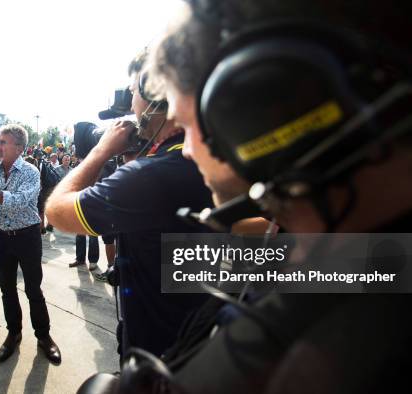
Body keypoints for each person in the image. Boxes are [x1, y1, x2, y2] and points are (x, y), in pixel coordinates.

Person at [137, 0, 412, 392]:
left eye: (185, 125)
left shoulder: (316, 359)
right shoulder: (370, 257)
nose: (187, 149)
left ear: (255, 106)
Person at [46, 49, 214, 358]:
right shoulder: (212, 160)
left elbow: (57, 212)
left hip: (157, 355)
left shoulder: (150, 176)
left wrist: (99, 152)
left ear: (154, 92)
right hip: (205, 340)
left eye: (133, 92)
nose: (132, 105)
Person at [0, 124, 61, 365]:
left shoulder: (30, 171)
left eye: (3, 142)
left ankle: (44, 336)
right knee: (7, 289)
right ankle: (13, 333)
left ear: (19, 147)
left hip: (28, 236)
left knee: (33, 289)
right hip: (3, 238)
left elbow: (19, 202)